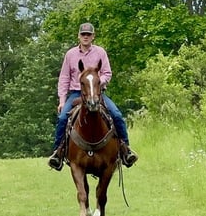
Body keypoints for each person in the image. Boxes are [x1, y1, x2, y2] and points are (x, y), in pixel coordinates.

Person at [48, 22, 138, 171]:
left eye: (88, 34)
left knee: (116, 114)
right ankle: (58, 152)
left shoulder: (100, 52)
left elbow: (107, 73)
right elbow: (64, 78)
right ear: (79, 36)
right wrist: (62, 101)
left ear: (93, 36)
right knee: (63, 118)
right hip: (77, 93)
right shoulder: (70, 54)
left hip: (97, 92)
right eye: (83, 34)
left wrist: (96, 83)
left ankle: (125, 149)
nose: (86, 37)